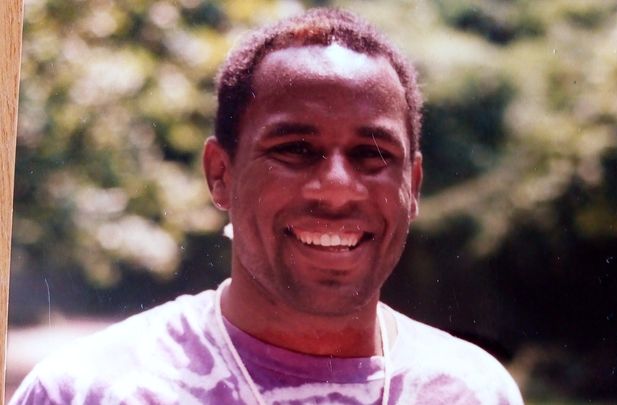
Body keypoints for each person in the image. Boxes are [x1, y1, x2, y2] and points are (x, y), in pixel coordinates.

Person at [11, 8, 523, 405]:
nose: (336, 188)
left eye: (372, 155)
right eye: (295, 149)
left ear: (412, 185)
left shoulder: (472, 391)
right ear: (221, 175)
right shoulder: (92, 389)